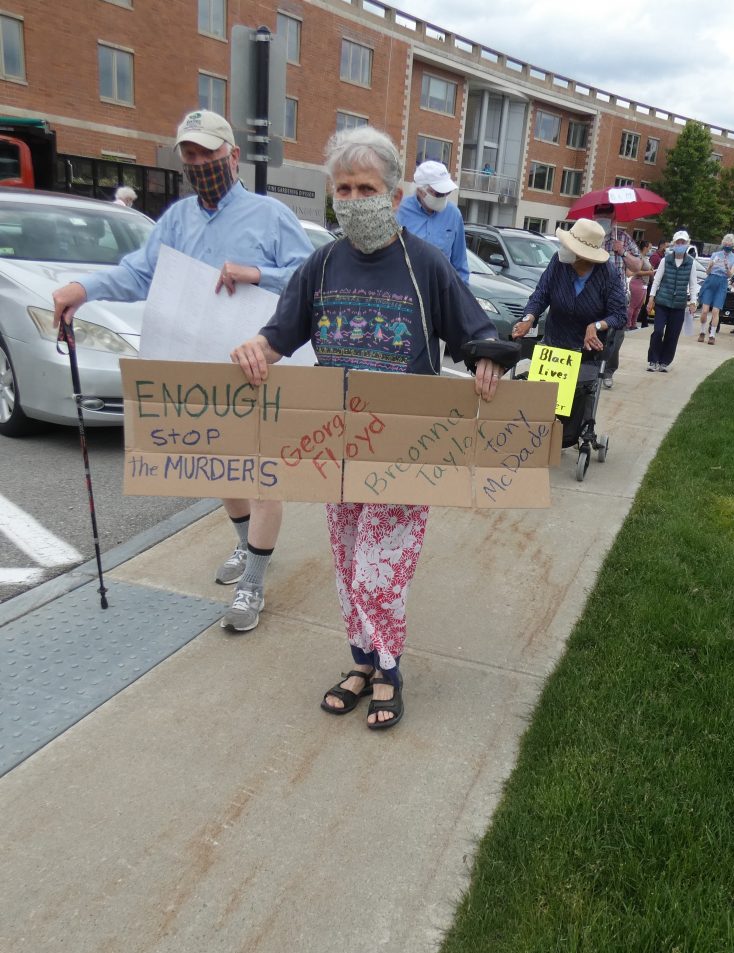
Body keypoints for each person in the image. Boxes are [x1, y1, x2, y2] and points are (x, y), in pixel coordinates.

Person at [231, 127, 505, 731]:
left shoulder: (425, 264)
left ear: (395, 195)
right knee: (349, 561)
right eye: (344, 189)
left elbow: (472, 331)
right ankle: (361, 662)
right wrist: (256, 349)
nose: (355, 200)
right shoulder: (323, 264)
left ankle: (388, 672)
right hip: (338, 448)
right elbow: (281, 333)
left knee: (379, 571)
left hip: (406, 450)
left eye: (367, 188)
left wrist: (486, 357)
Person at [52, 109, 313, 634]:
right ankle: (246, 546)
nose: (198, 163)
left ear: (232, 156)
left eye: (207, 153)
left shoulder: (270, 216)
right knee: (220, 468)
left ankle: (253, 582)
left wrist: (256, 273)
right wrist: (84, 289)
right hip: (202, 368)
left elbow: (310, 278)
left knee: (263, 474)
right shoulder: (176, 219)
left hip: (261, 365)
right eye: (189, 155)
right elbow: (139, 273)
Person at [510, 217, 626, 441]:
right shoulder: (558, 262)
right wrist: (528, 318)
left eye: (568, 246)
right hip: (554, 343)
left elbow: (620, 315)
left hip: (586, 353)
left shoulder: (608, 274)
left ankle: (572, 434)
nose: (562, 248)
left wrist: (597, 325)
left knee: (578, 393)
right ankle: (537, 433)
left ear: (583, 255)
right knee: (542, 393)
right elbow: (541, 294)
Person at [592, 202, 643, 388]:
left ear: (614, 218)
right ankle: (592, 369)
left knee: (615, 337)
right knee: (593, 332)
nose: (603, 220)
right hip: (593, 296)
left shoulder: (623, 238)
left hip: (617, 297)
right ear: (594, 217)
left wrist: (622, 251)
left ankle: (608, 370)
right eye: (600, 216)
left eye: (607, 216)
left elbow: (637, 266)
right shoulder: (589, 237)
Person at [396, 159, 469, 284]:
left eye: (447, 192)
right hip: (405, 287)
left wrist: (462, 293)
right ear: (421, 190)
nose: (444, 196)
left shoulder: (454, 215)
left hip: (441, 290)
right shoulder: (399, 211)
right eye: (439, 193)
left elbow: (460, 265)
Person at [645, 230, 697, 371]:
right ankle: (653, 359)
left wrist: (693, 301)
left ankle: (665, 361)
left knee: (672, 335)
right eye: (678, 242)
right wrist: (651, 298)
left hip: (679, 304)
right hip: (663, 302)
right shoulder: (665, 260)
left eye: (683, 242)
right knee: (658, 331)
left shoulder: (691, 263)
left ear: (687, 244)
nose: (680, 245)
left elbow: (693, 285)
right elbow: (656, 281)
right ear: (674, 244)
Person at [696, 233, 734, 344]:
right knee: (705, 311)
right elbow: (707, 272)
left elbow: (731, 275)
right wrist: (711, 265)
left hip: (722, 283)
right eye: (726, 244)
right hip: (711, 281)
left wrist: (726, 267)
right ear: (723, 244)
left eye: (729, 245)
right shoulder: (715, 254)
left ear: (733, 246)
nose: (727, 246)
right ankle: (702, 332)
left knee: (716, 311)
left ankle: (712, 335)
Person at [626, 240, 653, 330]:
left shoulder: (644, 257)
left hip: (644, 283)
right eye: (649, 248)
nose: (649, 250)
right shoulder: (640, 257)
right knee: (633, 305)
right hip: (638, 283)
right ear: (645, 247)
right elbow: (637, 271)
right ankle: (628, 324)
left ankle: (633, 324)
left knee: (638, 306)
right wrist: (649, 272)